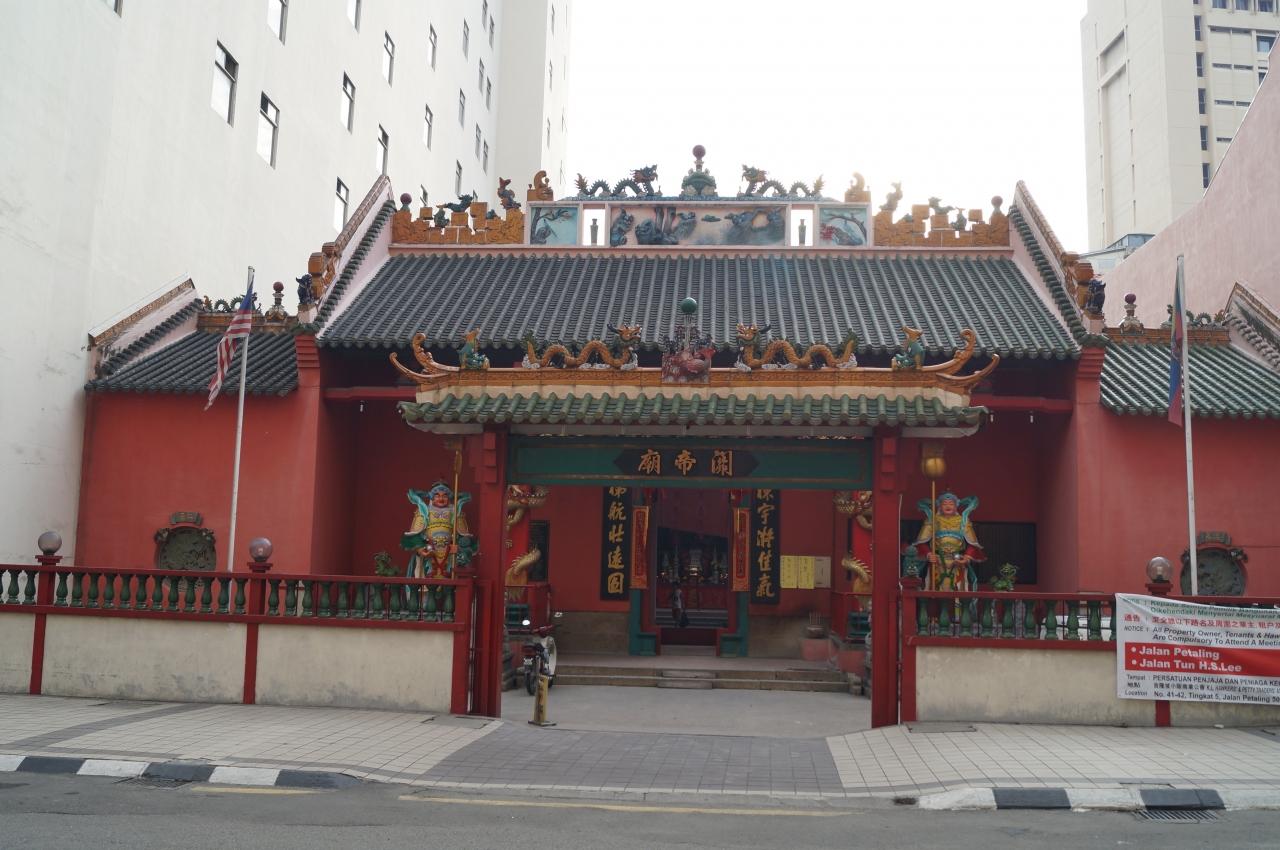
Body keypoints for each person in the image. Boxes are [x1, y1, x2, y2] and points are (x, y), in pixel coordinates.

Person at [911, 492, 985, 591]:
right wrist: (929, 555)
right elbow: (921, 543)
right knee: (935, 588)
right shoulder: (932, 520)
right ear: (939, 506)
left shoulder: (963, 521)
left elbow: (973, 544)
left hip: (957, 560)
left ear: (956, 506)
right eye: (944, 504)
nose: (948, 506)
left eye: (951, 504)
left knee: (958, 589)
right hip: (937, 560)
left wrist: (966, 558)